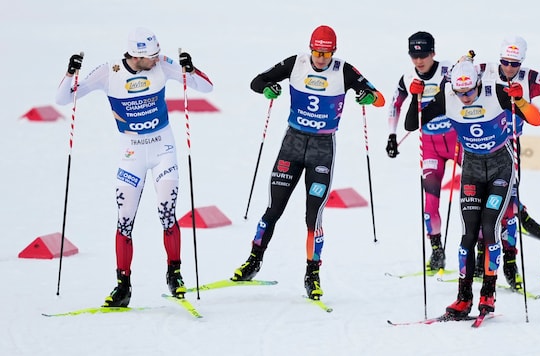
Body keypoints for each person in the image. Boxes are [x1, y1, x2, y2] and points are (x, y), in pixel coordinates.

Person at [55, 27, 214, 307]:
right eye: (150, 56)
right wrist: (70, 73)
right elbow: (63, 98)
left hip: (163, 148)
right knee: (125, 221)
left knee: (167, 214)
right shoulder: (110, 72)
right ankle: (122, 286)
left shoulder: (163, 65)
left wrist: (190, 68)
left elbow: (206, 87)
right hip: (131, 154)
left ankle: (174, 273)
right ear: (136, 55)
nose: (156, 59)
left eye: (156, 54)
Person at [230, 25, 384, 301]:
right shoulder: (296, 63)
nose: (320, 58)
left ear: (333, 52)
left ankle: (312, 275)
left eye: (326, 53)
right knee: (273, 209)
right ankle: (254, 261)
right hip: (293, 144)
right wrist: (268, 88)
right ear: (310, 48)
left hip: (322, 150)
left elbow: (379, 98)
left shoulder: (344, 70)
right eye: (316, 51)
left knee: (313, 217)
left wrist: (368, 96)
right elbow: (256, 81)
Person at [406, 58, 540, 317]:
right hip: (472, 169)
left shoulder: (496, 93)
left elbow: (535, 120)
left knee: (490, 226)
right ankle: (463, 298)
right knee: (468, 234)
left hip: (501, 166)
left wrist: (521, 101)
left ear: (478, 84)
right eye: (460, 93)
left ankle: (488, 296)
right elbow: (412, 124)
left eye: (469, 91)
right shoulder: (449, 98)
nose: (465, 98)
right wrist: (415, 99)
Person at [473, 35, 540, 290]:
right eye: (505, 62)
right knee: (477, 203)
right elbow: (452, 85)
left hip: (510, 148)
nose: (509, 68)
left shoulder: (530, 78)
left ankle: (510, 262)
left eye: (514, 64)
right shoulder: (483, 71)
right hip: (479, 147)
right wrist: (463, 64)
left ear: (522, 62)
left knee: (507, 209)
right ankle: (479, 256)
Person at [385, 31, 459, 273]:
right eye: (414, 56)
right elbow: (395, 104)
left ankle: (479, 253)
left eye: (424, 55)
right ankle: (437, 251)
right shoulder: (407, 78)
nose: (419, 61)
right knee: (430, 204)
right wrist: (392, 136)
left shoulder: (448, 69)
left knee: (472, 199)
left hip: (459, 142)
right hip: (430, 146)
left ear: (433, 53)